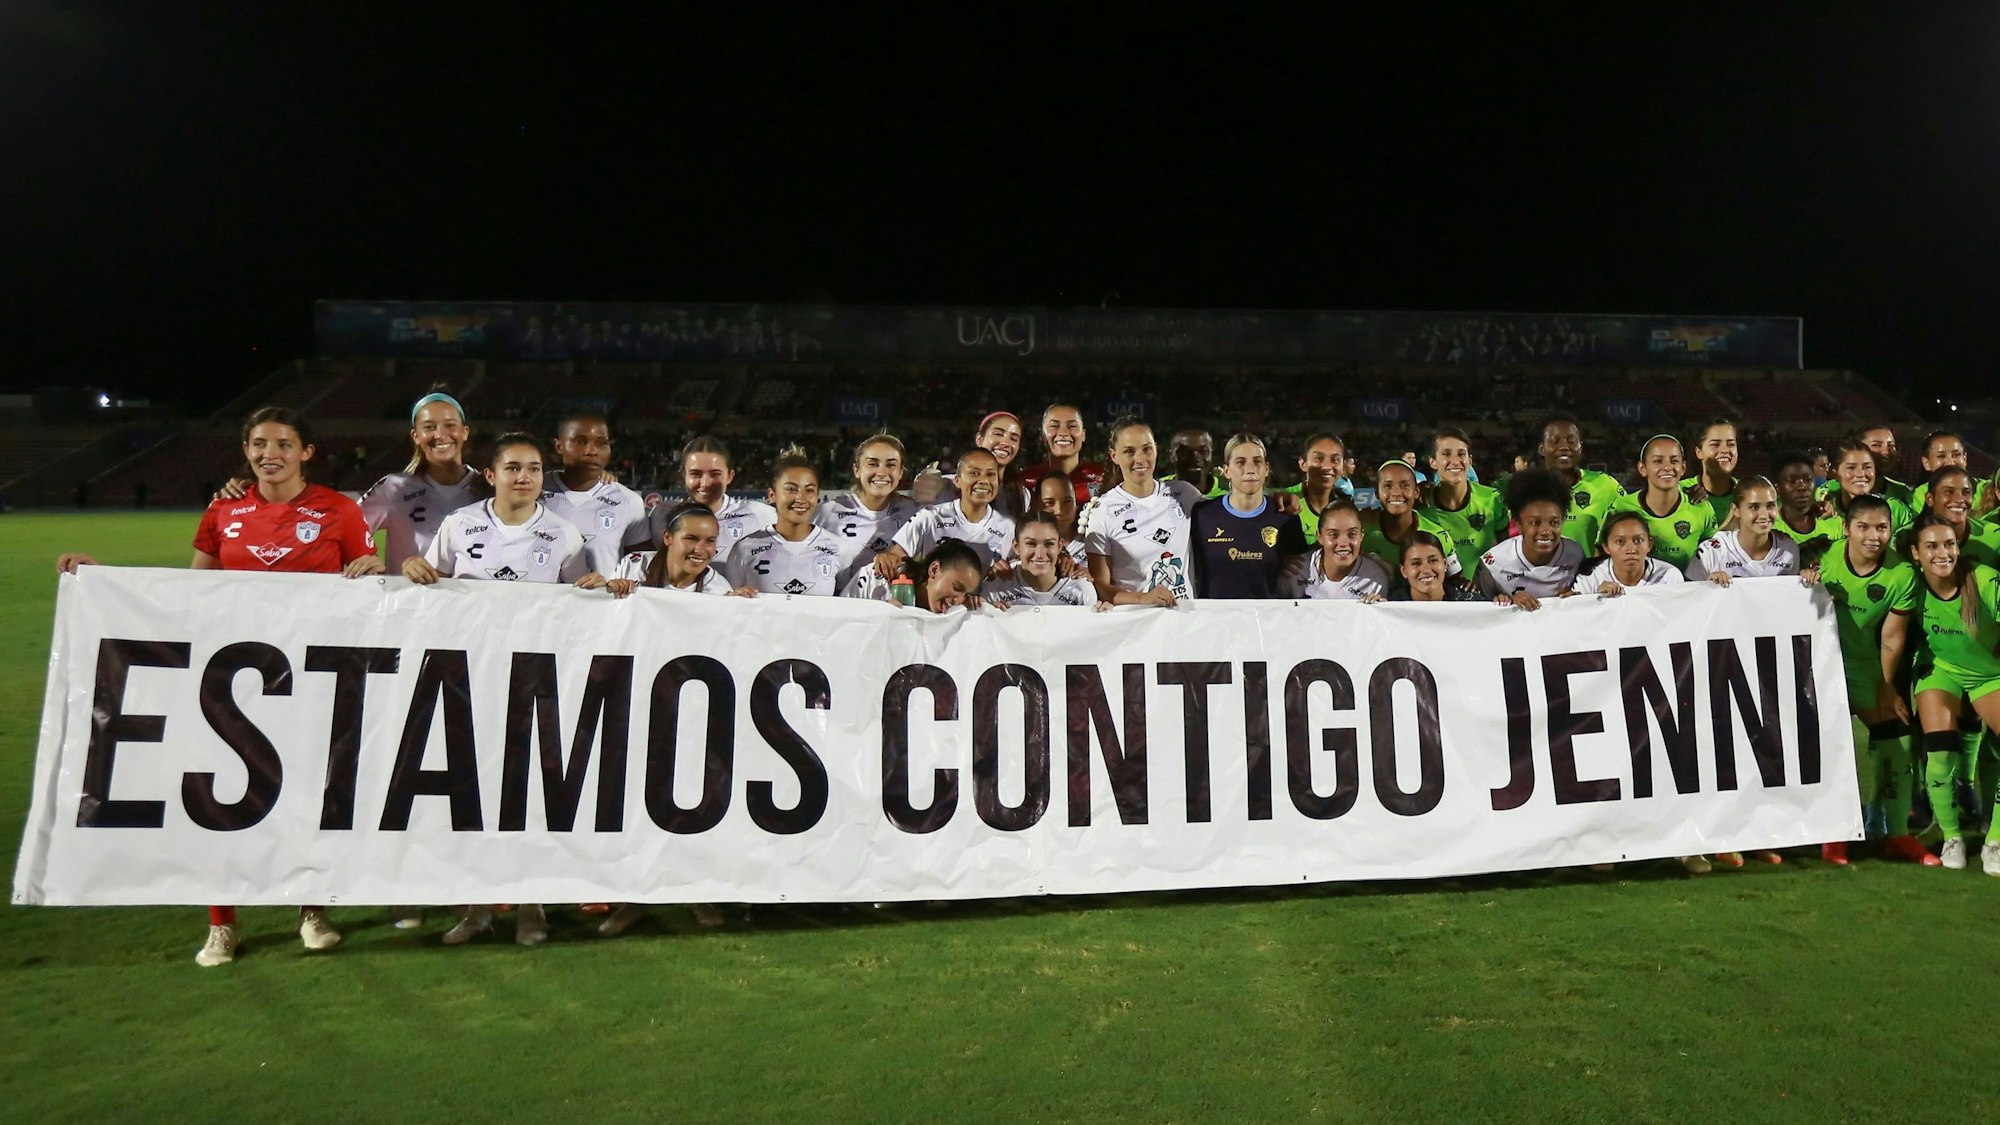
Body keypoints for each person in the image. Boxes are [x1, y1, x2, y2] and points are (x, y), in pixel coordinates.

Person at [60, 406, 383, 967]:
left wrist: (369, 569)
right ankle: (221, 923)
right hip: (230, 678)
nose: (269, 453)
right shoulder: (225, 509)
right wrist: (99, 581)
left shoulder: (339, 509)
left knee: (306, 795)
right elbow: (192, 592)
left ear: (307, 452)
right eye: (259, 443)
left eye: (283, 443)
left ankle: (310, 908)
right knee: (216, 796)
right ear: (245, 450)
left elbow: (368, 580)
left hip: (308, 681)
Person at [405, 433, 592, 946]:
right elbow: (431, 580)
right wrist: (412, 568)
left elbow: (580, 601)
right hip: (470, 680)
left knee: (528, 794)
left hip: (536, 683)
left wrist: (595, 590)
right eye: (512, 468)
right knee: (471, 793)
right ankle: (477, 907)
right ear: (490, 475)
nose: (524, 477)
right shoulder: (459, 526)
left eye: (533, 468)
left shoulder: (564, 535)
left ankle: (531, 905)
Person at [1817, 494, 1933, 866]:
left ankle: (1897, 835)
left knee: (1896, 740)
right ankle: (1833, 837)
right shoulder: (1822, 558)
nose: (1873, 536)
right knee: (1829, 751)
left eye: (1881, 527)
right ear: (1847, 528)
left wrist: (1885, 688)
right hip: (1818, 669)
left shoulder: (1902, 574)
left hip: (1865, 668)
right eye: (1863, 527)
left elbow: (1891, 637)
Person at [1907, 515, 2000, 871]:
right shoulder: (1911, 586)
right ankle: (1952, 838)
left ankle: (1994, 840)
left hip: (1989, 676)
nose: (1942, 553)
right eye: (1931, 546)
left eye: (1949, 544)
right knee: (1940, 751)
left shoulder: (1984, 580)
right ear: (1916, 553)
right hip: (1941, 670)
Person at [349, 392, 488, 570]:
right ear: (416, 436)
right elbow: (347, 530)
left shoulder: (488, 488)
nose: (440, 434)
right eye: (429, 427)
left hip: (473, 597)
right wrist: (366, 558)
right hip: (409, 598)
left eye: (450, 425)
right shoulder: (393, 488)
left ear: (464, 432)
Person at [1082, 417, 1203, 606]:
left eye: (1147, 448)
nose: (1140, 459)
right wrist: (1143, 599)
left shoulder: (1184, 493)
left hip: (1185, 623)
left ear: (1156, 448)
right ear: (1114, 455)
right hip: (1138, 625)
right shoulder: (1103, 511)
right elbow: (1100, 587)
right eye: (1129, 451)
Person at [1189, 433, 1309, 599]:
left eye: (1257, 461)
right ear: (1226, 471)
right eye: (1241, 462)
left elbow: (1303, 575)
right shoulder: (1201, 515)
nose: (1250, 469)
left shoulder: (1285, 517)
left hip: (1267, 621)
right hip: (1214, 621)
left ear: (1266, 469)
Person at [539, 412, 652, 577]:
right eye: (580, 442)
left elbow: (641, 564)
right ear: (559, 446)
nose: (591, 451)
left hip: (602, 601)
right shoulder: (534, 491)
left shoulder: (628, 501)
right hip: (544, 600)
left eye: (601, 443)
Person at [875, 448, 1016, 576]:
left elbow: (1017, 572)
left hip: (984, 603)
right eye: (974, 473)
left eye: (991, 474)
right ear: (957, 480)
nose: (983, 480)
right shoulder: (930, 517)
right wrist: (887, 558)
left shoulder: (1008, 526)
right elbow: (894, 556)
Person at [643, 435, 776, 569]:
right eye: (696, 474)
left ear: (730, 476)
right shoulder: (661, 515)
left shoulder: (759, 514)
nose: (705, 483)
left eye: (715, 474)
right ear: (683, 475)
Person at [723, 449, 843, 596]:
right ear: (772, 495)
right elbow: (729, 606)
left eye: (809, 490)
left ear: (817, 495)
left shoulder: (838, 547)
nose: (800, 498)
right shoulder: (744, 549)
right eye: (791, 489)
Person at [815, 433, 919, 592]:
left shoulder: (914, 512)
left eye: (891, 465)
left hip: (896, 609)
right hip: (841, 608)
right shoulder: (829, 512)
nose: (882, 472)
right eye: (873, 464)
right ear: (857, 470)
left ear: (900, 473)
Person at [1476, 468, 1585, 611]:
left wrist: (1578, 597)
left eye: (1554, 523)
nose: (1546, 531)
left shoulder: (1575, 554)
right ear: (1518, 524)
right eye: (1535, 523)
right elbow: (1478, 611)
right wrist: (1507, 603)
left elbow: (1586, 595)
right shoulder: (1493, 563)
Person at [1611, 435, 1718, 571]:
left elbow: (1714, 554)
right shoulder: (1621, 508)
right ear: (1642, 468)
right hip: (1638, 591)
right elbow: (1604, 554)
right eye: (1658, 461)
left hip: (1688, 590)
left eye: (1674, 461)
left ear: (1683, 468)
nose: (1667, 467)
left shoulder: (1701, 507)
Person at [1420, 427, 1508, 577]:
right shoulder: (1422, 505)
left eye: (1461, 454)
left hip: (1485, 594)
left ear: (1470, 461)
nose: (1455, 461)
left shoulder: (1493, 500)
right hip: (1439, 596)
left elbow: (1507, 551)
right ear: (1433, 462)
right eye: (1446, 454)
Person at [1687, 476, 1805, 584]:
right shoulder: (1712, 552)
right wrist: (1707, 587)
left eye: (1770, 505)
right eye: (1754, 507)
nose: (1764, 515)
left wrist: (1806, 579)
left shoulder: (1788, 549)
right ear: (1736, 510)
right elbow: (1689, 599)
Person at [1363, 460, 1463, 583]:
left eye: (1405, 485)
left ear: (1416, 492)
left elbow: (1456, 581)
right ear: (1377, 493)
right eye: (1387, 486)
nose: (1396, 493)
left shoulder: (1438, 536)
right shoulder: (1361, 532)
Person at [1278, 497, 1394, 600]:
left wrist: (1378, 609)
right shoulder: (1296, 571)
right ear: (1320, 536)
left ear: (1361, 536)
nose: (1343, 543)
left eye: (1352, 534)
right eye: (1333, 534)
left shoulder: (1375, 579)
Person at [1537, 414, 1623, 552]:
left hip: (1590, 572)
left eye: (1571, 441)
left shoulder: (1606, 485)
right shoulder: (1526, 489)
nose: (1564, 446)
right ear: (1542, 449)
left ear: (1580, 448)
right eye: (1555, 441)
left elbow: (1630, 524)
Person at [920, 411, 1030, 516]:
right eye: (998, 434)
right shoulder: (944, 486)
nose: (1006, 443)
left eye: (1014, 439)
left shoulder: (1021, 494)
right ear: (979, 439)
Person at [985, 511, 1103, 608]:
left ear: (1059, 546)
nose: (1040, 554)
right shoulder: (996, 588)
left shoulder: (1082, 589)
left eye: (1049, 544)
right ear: (1016, 547)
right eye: (1031, 544)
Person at [1817, 433, 1914, 542]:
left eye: (1867, 467)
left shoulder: (1895, 510)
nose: (1861, 474)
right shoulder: (1822, 513)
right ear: (1835, 473)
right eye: (1851, 467)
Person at [845, 538, 987, 611]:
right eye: (956, 588)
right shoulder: (875, 579)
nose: (958, 600)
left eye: (966, 595)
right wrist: (878, 617)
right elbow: (837, 624)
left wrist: (992, 612)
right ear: (934, 570)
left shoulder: (957, 612)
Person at [1574, 510, 1686, 595]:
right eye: (1620, 542)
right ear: (1606, 547)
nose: (1631, 549)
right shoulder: (1591, 577)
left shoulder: (1669, 576)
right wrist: (1595, 599)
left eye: (1638, 540)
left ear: (1649, 544)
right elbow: (1577, 617)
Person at [1019, 403, 1105, 504]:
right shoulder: (1025, 480)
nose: (1063, 432)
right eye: (1054, 426)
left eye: (1072, 426)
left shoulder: (1105, 478)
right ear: (1042, 435)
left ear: (1083, 435)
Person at [1278, 433, 1347, 542]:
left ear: (1343, 465)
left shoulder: (1345, 508)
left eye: (1335, 459)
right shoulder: (1283, 502)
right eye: (1318, 458)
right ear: (1303, 463)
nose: (1327, 467)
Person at [1771, 450, 1835, 563]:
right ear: (1777, 487)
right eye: (1792, 481)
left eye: (1808, 479)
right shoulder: (1770, 530)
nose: (1802, 486)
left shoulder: (1833, 520)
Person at [1383, 532, 1486, 602]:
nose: (1426, 569)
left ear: (1445, 564)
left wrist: (1500, 604)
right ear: (1404, 571)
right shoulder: (1388, 606)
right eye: (1416, 563)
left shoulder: (1470, 603)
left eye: (1433, 560)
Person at [1685, 417, 1741, 526]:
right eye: (1715, 444)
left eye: (1731, 444)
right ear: (1699, 452)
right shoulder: (1681, 492)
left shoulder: (1747, 493)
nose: (1725, 450)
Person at [1037, 472, 1091, 573]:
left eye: (1067, 502)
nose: (1059, 511)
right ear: (1036, 505)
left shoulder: (1094, 543)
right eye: (1049, 503)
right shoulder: (1024, 544)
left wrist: (1096, 579)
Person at [1908, 430, 1971, 514]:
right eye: (1941, 456)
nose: (1950, 462)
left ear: (1965, 459)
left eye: (1956, 455)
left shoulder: (1984, 488)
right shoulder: (1920, 494)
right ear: (1926, 463)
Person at [1160, 428, 1224, 497]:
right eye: (1185, 452)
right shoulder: (1157, 490)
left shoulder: (1228, 492)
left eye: (1203, 451)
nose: (1195, 458)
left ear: (1211, 454)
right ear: (1171, 456)